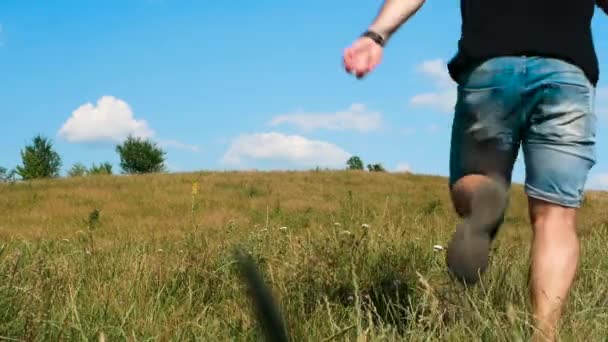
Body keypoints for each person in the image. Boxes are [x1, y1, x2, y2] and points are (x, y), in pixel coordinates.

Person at [343, 1, 606, 341]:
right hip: (565, 73)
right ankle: (544, 335)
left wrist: (375, 34)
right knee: (554, 217)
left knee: (475, 179)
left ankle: (482, 197)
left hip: (490, 69)